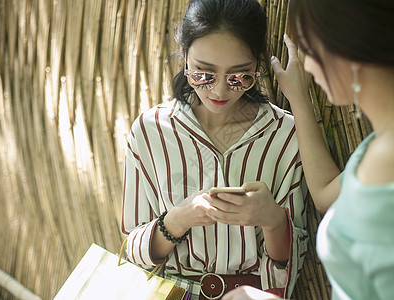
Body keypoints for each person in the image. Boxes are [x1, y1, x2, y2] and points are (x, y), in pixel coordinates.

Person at [224, 0, 394, 299]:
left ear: (347, 48)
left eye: (308, 50)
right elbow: (326, 195)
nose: (308, 66)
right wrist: (299, 98)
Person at [121, 0, 309, 299]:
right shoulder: (149, 131)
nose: (219, 91)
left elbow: (291, 262)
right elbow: (132, 247)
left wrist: (273, 219)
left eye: (238, 76)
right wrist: (181, 218)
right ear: (184, 57)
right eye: (203, 74)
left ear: (258, 64)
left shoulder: (285, 135)